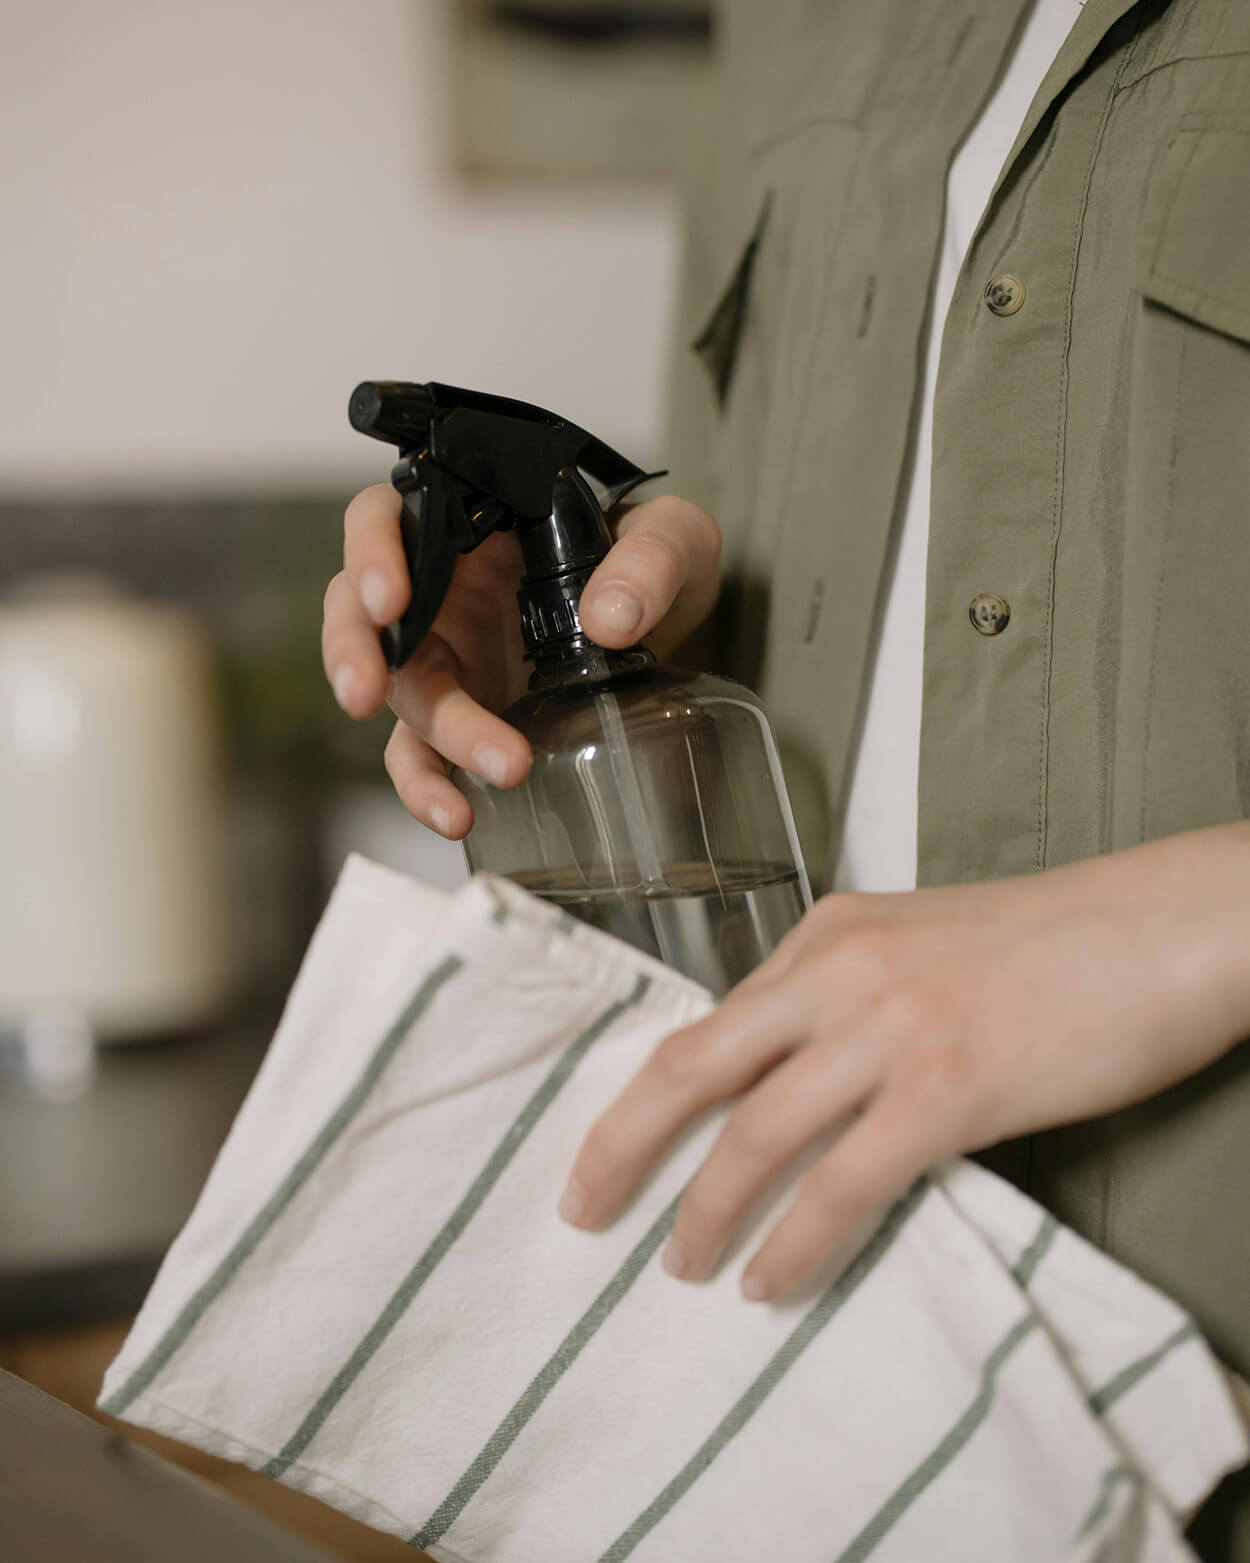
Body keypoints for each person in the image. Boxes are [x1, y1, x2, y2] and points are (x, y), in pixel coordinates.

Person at [323, 0, 1250, 1550]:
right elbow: (787, 589)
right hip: (822, 1405)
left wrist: (1193, 918)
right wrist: (607, 615)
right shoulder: (788, 29)